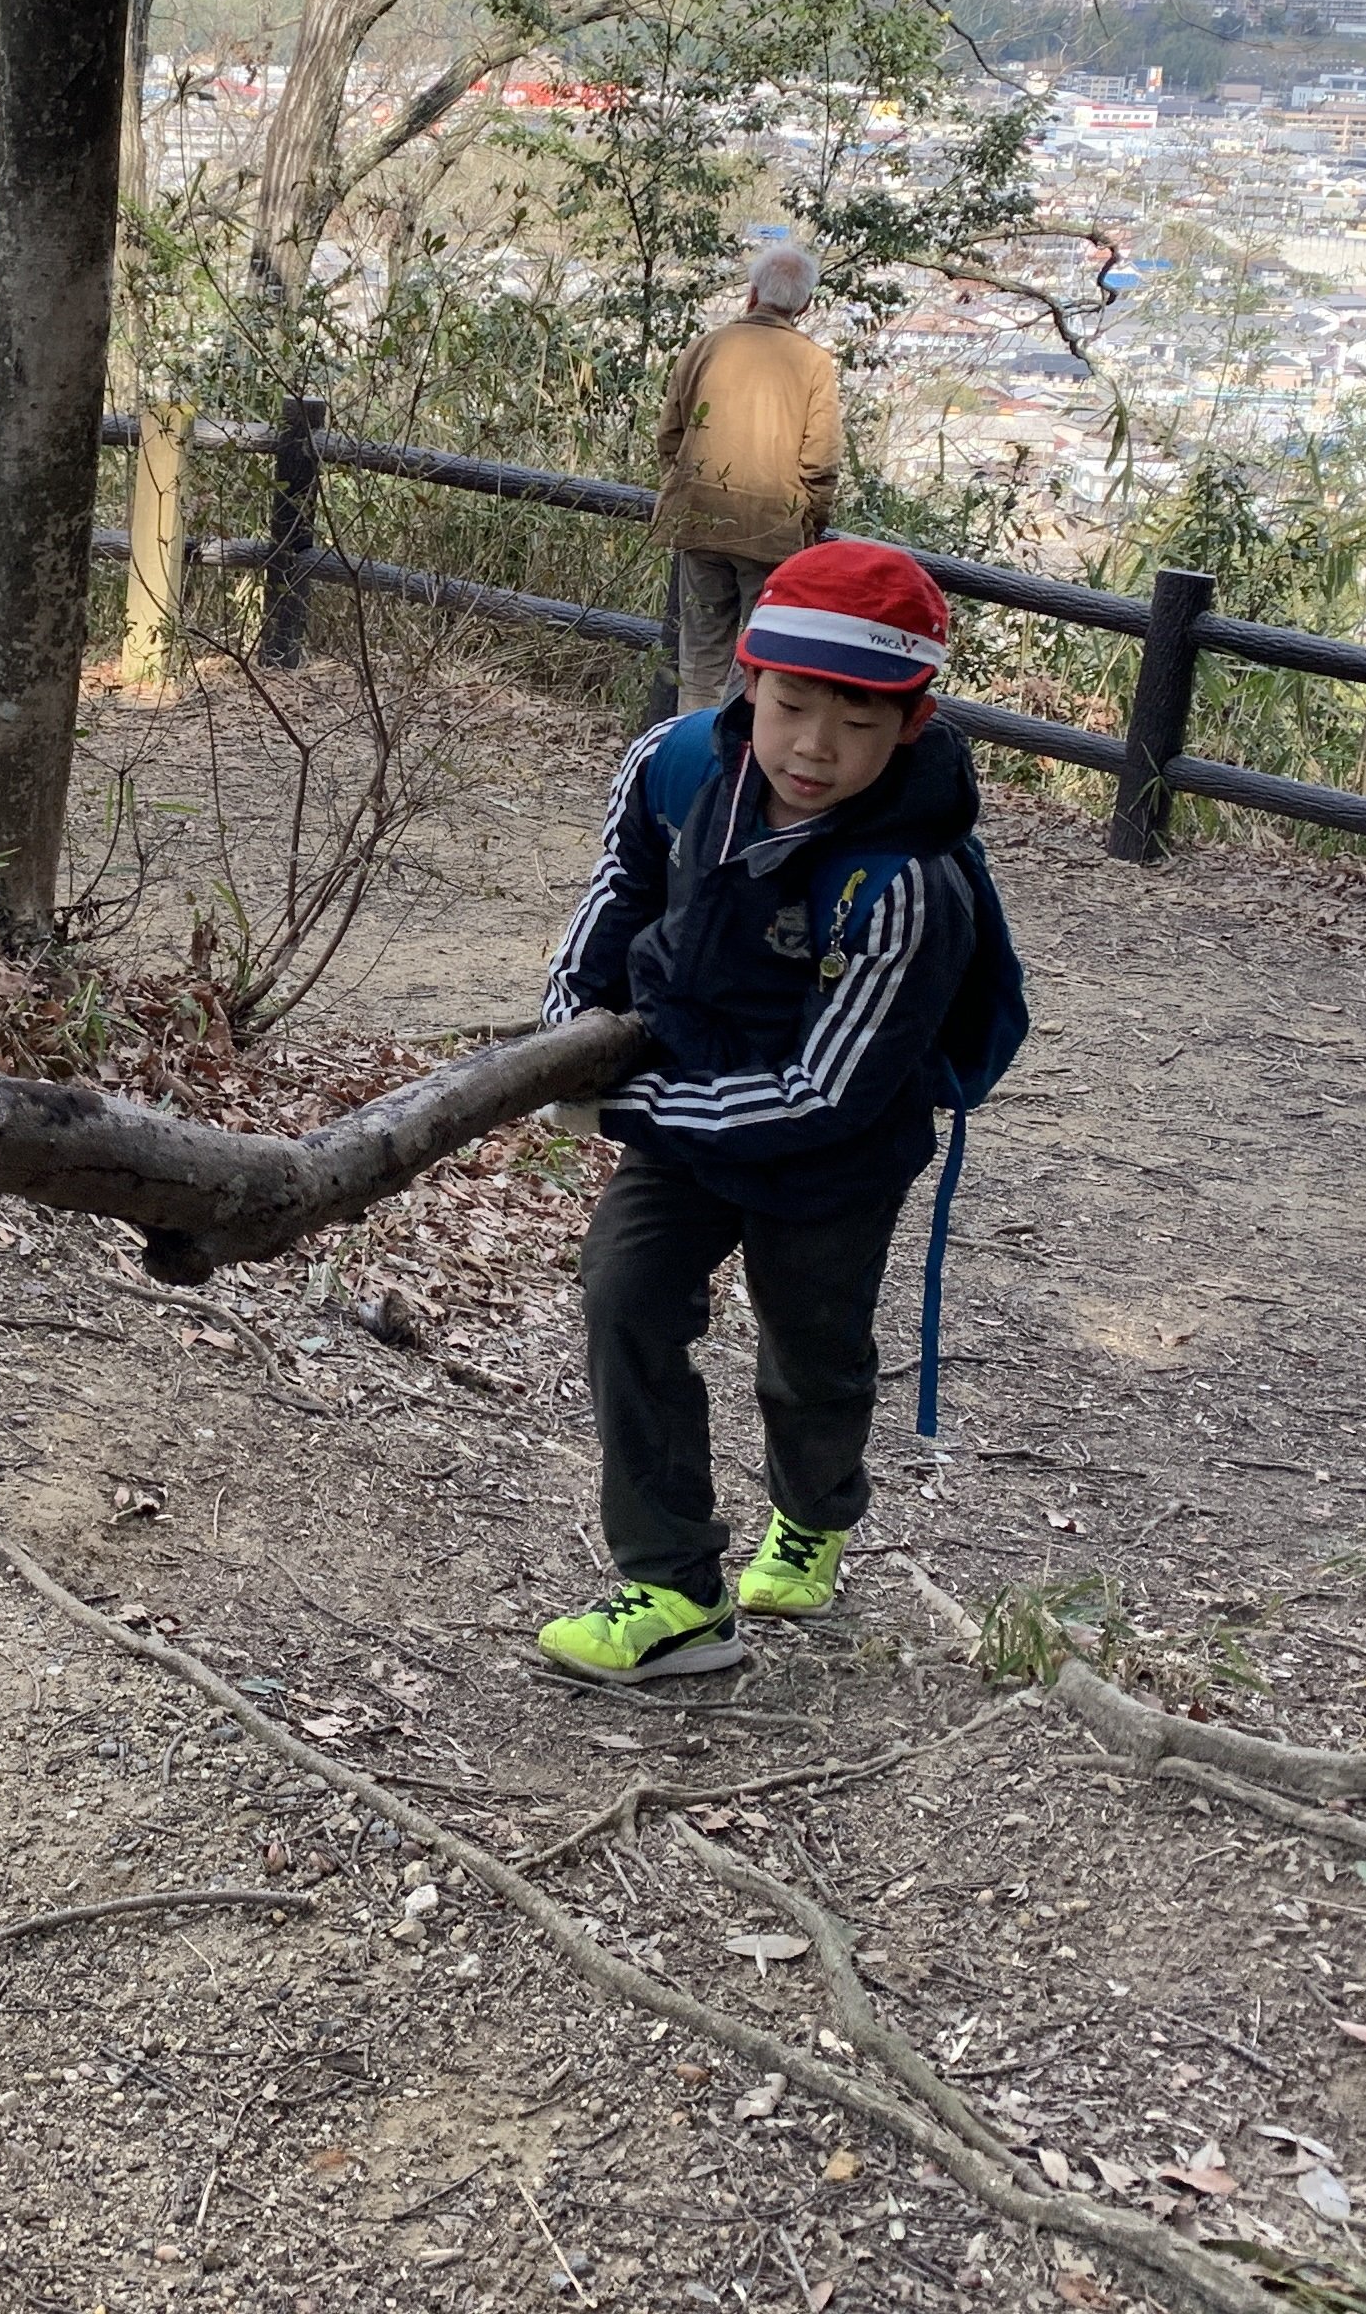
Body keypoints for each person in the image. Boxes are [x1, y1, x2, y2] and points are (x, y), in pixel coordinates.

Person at [531, 538, 1025, 1681]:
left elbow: (824, 1092)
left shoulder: (904, 884)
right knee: (625, 1293)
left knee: (811, 1349)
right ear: (748, 679)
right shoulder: (673, 764)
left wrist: (626, 1107)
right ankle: (672, 1588)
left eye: (857, 724)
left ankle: (812, 1511)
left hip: (835, 1151)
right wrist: (568, 1041)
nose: (814, 747)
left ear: (909, 725)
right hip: (690, 1095)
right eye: (792, 705)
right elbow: (619, 893)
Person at [652, 242, 843, 712]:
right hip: (772, 530)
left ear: (751, 293)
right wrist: (811, 524)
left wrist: (684, 490)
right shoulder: (814, 363)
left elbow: (669, 436)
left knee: (699, 655)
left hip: (700, 520)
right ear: (806, 304)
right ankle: (747, 755)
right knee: (766, 655)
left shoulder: (706, 346)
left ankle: (693, 753)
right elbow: (819, 461)